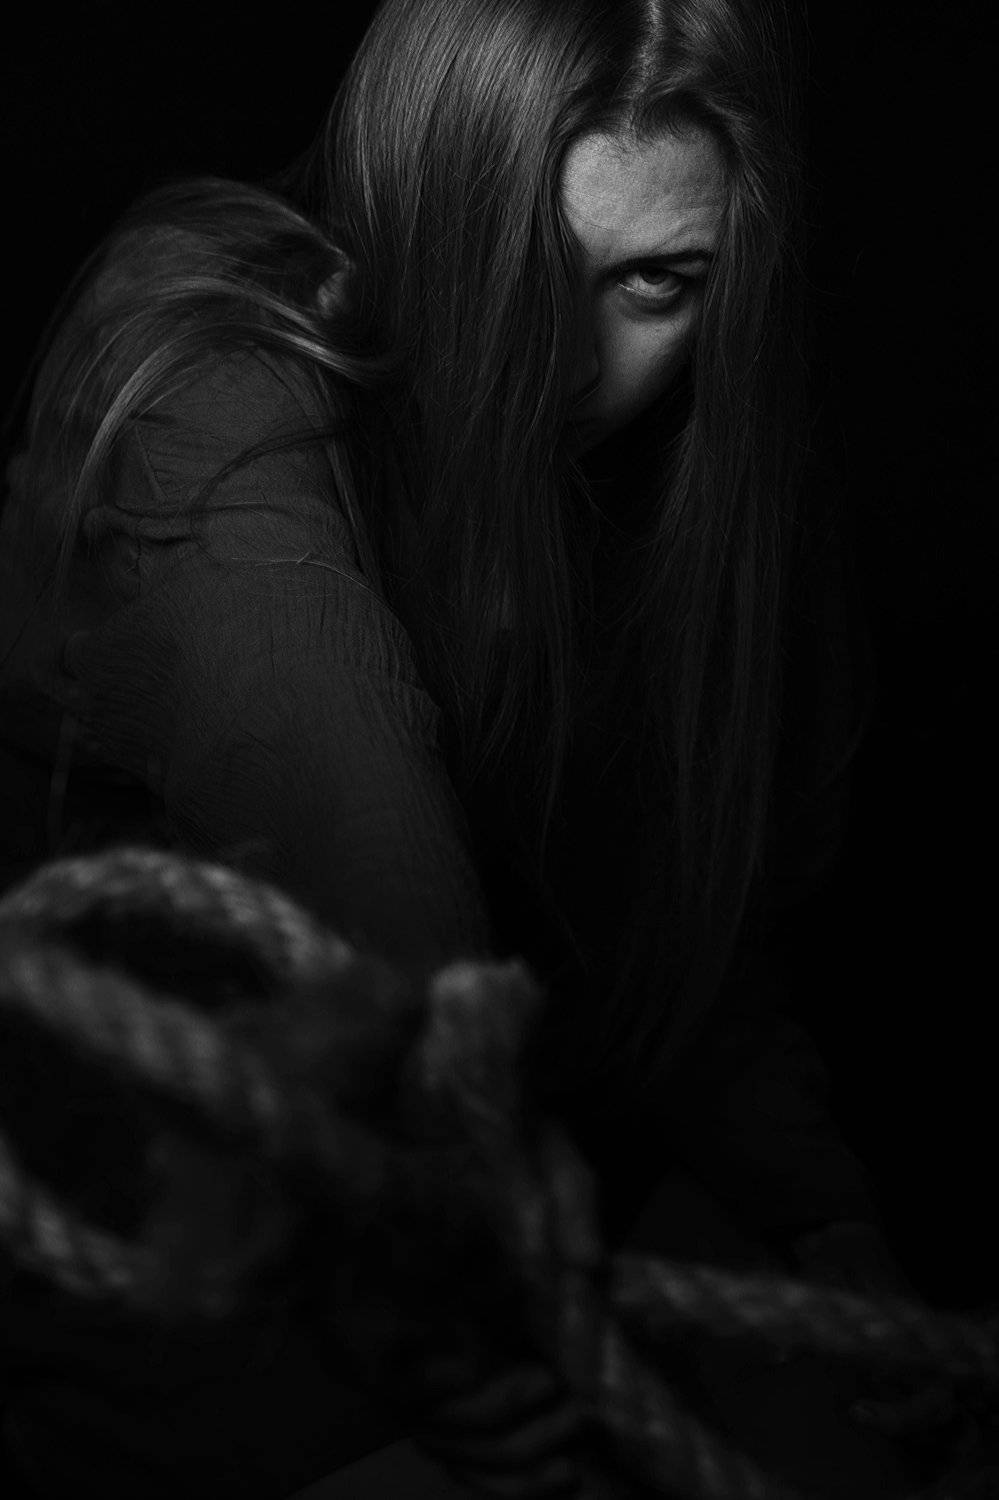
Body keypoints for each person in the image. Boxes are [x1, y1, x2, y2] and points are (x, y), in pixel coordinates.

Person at [0, 1, 958, 1496]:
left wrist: (823, 1221)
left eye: (656, 281)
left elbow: (689, 920)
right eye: (512, 261)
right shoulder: (202, 374)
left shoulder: (686, 489)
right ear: (412, 207)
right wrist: (469, 1215)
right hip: (159, 1274)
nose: (567, 360)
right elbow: (345, 812)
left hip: (509, 1217)